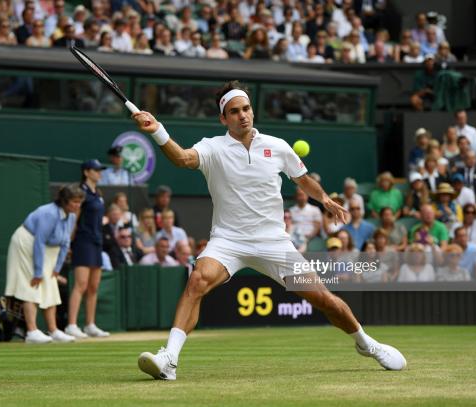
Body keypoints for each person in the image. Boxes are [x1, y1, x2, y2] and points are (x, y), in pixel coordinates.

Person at [131, 80, 406, 381]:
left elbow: (302, 179)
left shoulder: (278, 147)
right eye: (234, 112)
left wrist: (325, 197)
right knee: (197, 280)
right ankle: (169, 359)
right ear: (224, 118)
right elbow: (182, 158)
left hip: (275, 243)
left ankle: (367, 344)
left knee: (324, 299)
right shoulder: (212, 147)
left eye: (246, 109)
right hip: (228, 241)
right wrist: (158, 130)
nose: (243, 116)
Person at [5, 184, 85, 344]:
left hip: (45, 249)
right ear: (64, 201)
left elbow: (65, 242)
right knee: (32, 284)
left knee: (50, 285)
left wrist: (57, 268)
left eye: (79, 202)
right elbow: (39, 242)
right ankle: (32, 332)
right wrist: (37, 271)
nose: (77, 205)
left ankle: (54, 330)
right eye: (74, 202)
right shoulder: (49, 213)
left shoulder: (71, 216)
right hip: (26, 243)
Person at [65, 160, 110, 339]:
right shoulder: (81, 193)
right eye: (96, 170)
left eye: (100, 170)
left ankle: (90, 325)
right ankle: (71, 325)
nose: (100, 173)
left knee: (93, 286)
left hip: (97, 242)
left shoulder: (98, 193)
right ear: (86, 172)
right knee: (81, 284)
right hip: (83, 241)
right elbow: (74, 219)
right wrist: (68, 242)